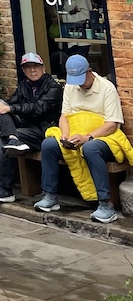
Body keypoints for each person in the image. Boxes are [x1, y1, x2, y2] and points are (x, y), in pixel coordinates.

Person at [34, 53, 131, 223]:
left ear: (90, 71)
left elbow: (112, 124)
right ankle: (49, 195)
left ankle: (105, 204)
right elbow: (65, 116)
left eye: (81, 79)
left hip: (103, 136)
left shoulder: (106, 88)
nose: (79, 84)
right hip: (75, 133)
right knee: (49, 144)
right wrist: (65, 134)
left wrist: (88, 137)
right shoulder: (71, 86)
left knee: (90, 148)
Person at [0, 51, 62, 203]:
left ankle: (5, 189)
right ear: (23, 70)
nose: (32, 70)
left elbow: (39, 108)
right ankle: (13, 138)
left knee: (2, 135)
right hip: (26, 129)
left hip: (44, 132)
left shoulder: (53, 87)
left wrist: (9, 109)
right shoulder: (24, 86)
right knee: (0, 103)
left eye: (35, 66)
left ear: (43, 68)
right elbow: (11, 103)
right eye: (28, 67)